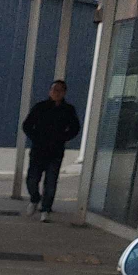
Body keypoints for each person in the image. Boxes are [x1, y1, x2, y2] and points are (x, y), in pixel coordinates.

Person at [20, 78, 82, 221]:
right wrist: (36, 138)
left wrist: (63, 138)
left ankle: (46, 209)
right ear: (50, 91)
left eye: (59, 90)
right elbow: (27, 125)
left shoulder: (68, 110)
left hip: (55, 151)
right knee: (32, 180)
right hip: (38, 150)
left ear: (64, 93)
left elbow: (75, 128)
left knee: (51, 182)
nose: (56, 93)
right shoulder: (40, 107)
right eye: (54, 90)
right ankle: (35, 198)